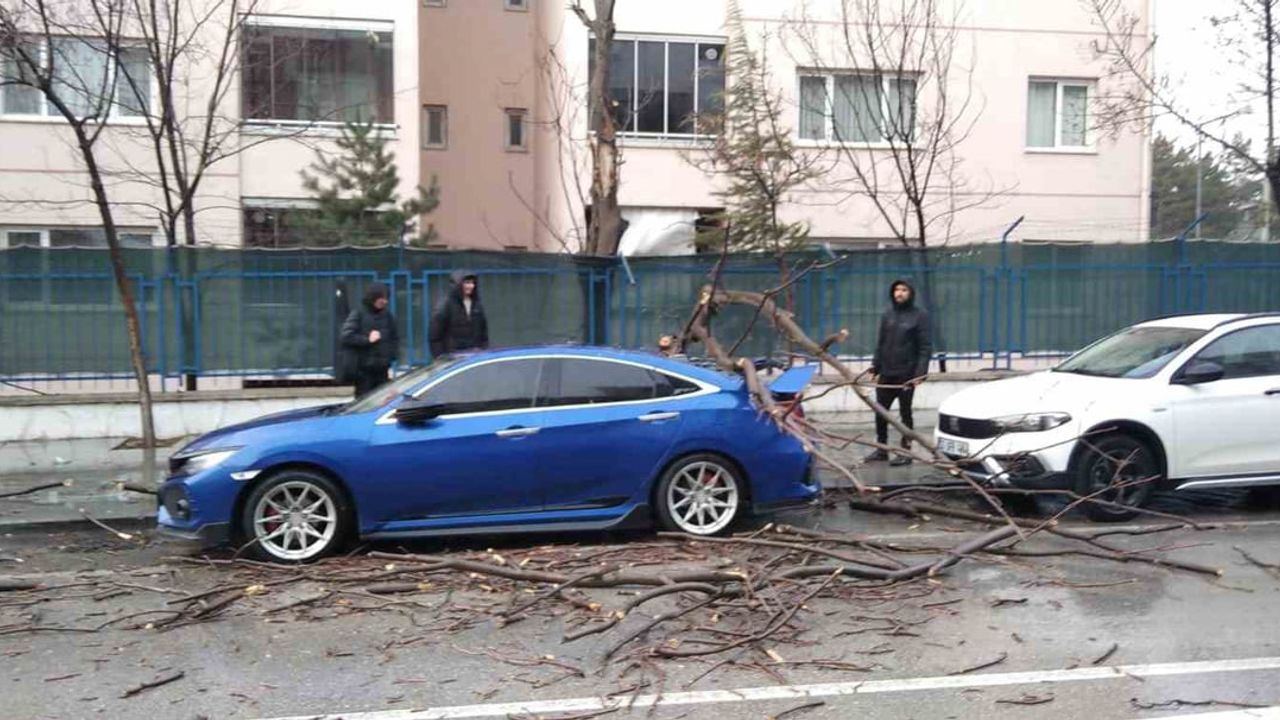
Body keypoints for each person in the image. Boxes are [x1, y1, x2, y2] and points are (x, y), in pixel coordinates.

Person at [866, 279, 932, 466]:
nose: (899, 293)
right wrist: (875, 366)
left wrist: (920, 373)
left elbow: (925, 347)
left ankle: (906, 452)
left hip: (906, 374)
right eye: (896, 290)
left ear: (910, 293)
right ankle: (882, 450)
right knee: (880, 413)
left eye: (903, 290)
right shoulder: (888, 315)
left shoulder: (920, 316)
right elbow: (881, 343)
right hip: (887, 373)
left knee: (905, 414)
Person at [340, 282, 399, 397]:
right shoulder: (359, 314)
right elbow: (346, 336)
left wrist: (392, 355)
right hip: (364, 371)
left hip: (382, 369)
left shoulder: (387, 315)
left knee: (382, 400)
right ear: (373, 298)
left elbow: (394, 337)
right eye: (382, 299)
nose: (384, 302)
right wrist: (367, 339)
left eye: (386, 299)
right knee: (364, 401)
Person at [429, 269, 489, 357]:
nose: (471, 286)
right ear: (458, 284)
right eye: (467, 283)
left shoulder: (476, 304)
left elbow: (483, 332)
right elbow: (435, 336)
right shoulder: (446, 304)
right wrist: (440, 359)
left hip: (474, 356)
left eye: (473, 283)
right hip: (454, 358)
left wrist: (483, 350)